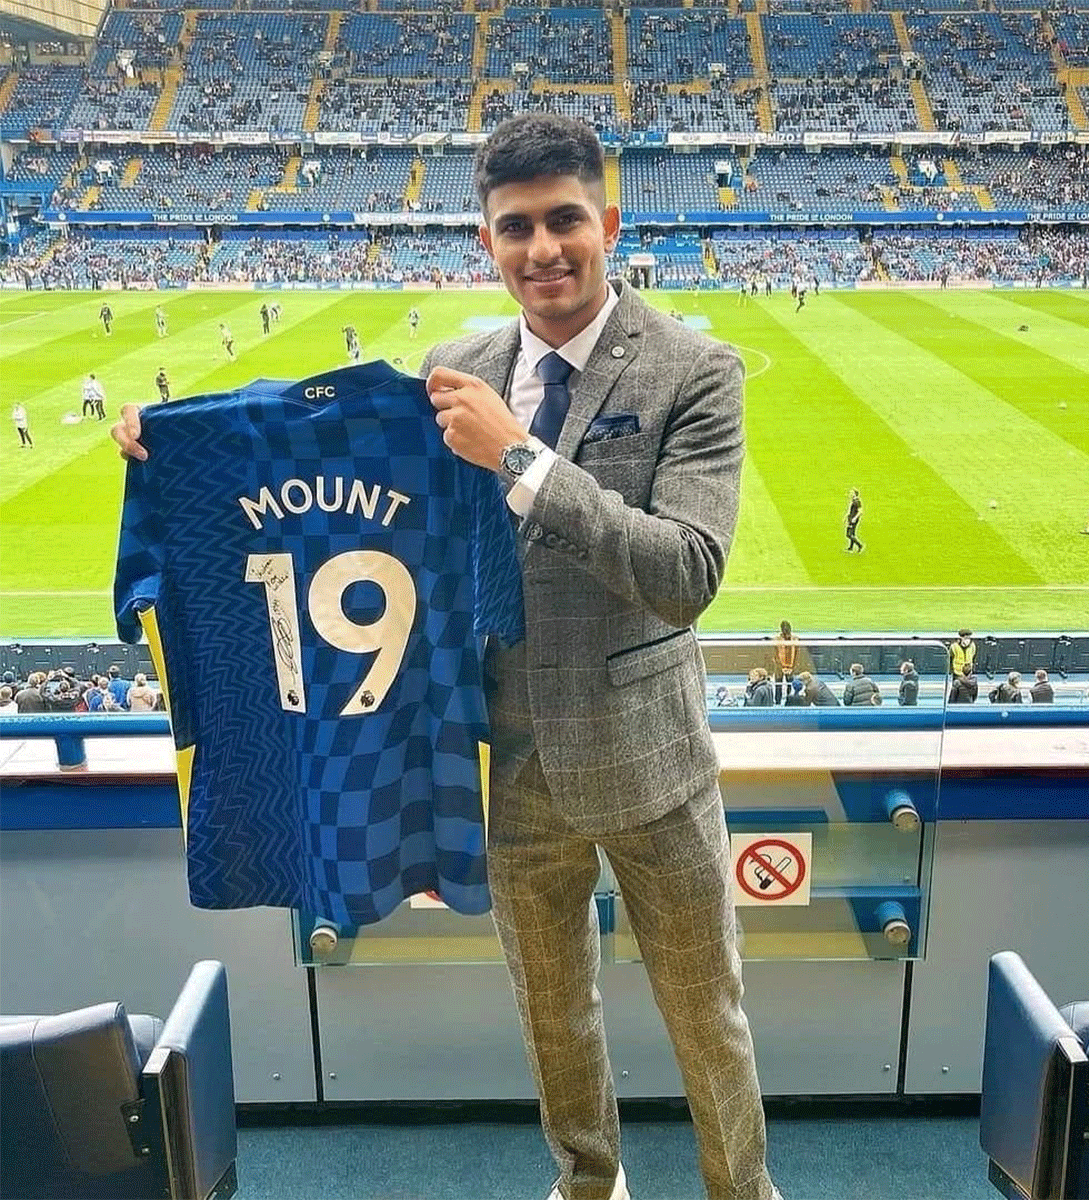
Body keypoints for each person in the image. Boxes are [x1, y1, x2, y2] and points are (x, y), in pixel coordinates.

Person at [113, 112, 783, 1200]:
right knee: (552, 1013)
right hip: (497, 761)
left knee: (706, 1011)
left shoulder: (695, 370)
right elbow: (332, 456)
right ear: (488, 245)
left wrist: (519, 458)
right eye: (516, 228)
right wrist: (181, 438)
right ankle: (586, 1183)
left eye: (565, 220)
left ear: (609, 222)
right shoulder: (451, 365)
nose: (543, 249)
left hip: (648, 762)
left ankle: (743, 1190)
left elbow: (688, 570)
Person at [773, 619, 798, 703]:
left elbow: (797, 655)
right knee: (778, 685)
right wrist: (781, 667)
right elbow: (775, 655)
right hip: (779, 667)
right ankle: (778, 701)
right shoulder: (777, 639)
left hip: (791, 666)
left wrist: (792, 667)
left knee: (790, 685)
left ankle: (789, 701)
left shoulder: (795, 639)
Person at [844, 488, 863, 552]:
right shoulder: (853, 501)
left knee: (849, 534)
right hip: (851, 518)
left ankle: (860, 545)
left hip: (853, 520)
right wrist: (847, 516)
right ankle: (851, 548)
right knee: (852, 533)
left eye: (851, 493)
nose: (850, 494)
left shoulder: (857, 502)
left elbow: (860, 511)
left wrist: (854, 518)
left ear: (855, 494)